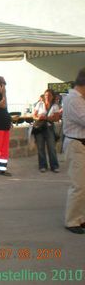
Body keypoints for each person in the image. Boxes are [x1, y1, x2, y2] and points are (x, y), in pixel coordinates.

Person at [62, 68, 85, 234]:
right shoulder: (74, 100)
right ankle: (72, 221)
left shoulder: (79, 99)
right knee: (78, 185)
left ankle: (80, 218)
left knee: (83, 185)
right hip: (76, 144)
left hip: (79, 144)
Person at [32, 89, 60, 173]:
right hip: (39, 128)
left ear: (52, 97)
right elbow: (34, 115)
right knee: (40, 148)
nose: (47, 97)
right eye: (46, 95)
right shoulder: (39, 104)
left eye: (49, 95)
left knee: (51, 148)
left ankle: (54, 166)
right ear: (44, 96)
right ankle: (42, 165)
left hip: (49, 128)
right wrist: (38, 118)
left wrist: (46, 118)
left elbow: (56, 118)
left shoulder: (55, 106)